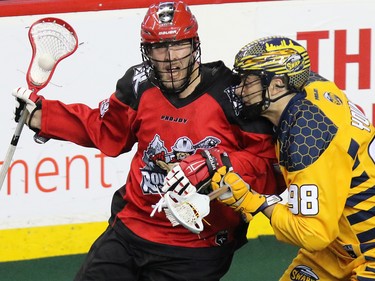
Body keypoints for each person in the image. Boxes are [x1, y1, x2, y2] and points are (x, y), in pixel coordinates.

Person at [12, 3, 285, 281]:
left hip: (198, 245)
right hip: (132, 228)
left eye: (178, 46)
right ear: (147, 51)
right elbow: (107, 130)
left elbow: (270, 170)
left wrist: (214, 163)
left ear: (195, 45)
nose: (170, 58)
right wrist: (44, 117)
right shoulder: (138, 83)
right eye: (158, 48)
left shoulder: (235, 94)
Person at [210, 35, 375, 280]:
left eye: (249, 81)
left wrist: (252, 201)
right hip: (337, 249)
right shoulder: (312, 87)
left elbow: (313, 234)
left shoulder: (306, 142)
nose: (240, 89)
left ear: (277, 84)